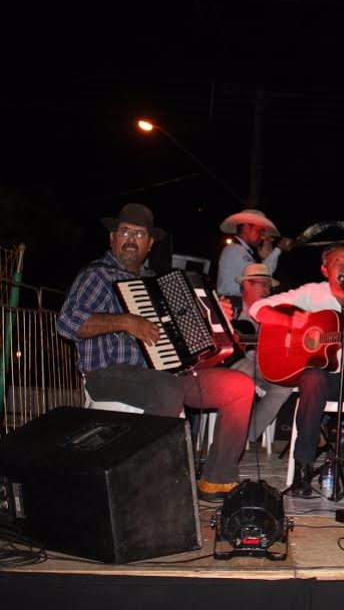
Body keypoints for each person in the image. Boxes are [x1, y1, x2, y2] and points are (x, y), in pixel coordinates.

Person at [56, 203, 255, 501]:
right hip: (108, 373)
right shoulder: (97, 276)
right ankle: (148, 485)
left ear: (149, 244)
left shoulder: (158, 284)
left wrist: (215, 318)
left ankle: (217, 479)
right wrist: (125, 321)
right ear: (112, 238)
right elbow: (67, 322)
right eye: (125, 231)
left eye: (140, 234)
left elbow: (190, 338)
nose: (131, 239)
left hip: (166, 374)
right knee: (166, 386)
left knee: (239, 386)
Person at [249, 245, 344, 496]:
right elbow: (258, 309)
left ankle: (340, 465)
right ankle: (303, 465)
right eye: (337, 263)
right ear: (324, 269)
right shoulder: (311, 293)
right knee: (314, 377)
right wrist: (288, 321)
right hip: (319, 377)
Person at [219, 263, 297, 446]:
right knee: (243, 375)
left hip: (260, 366)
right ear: (247, 284)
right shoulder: (230, 306)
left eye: (269, 286)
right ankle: (231, 437)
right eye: (263, 284)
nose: (268, 290)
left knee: (284, 386)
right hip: (230, 364)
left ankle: (248, 435)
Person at [216, 208, 292, 301]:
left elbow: (262, 277)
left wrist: (266, 258)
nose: (262, 236)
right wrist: (278, 249)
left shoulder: (240, 250)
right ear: (247, 228)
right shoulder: (235, 250)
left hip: (237, 303)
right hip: (233, 304)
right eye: (260, 231)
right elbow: (261, 277)